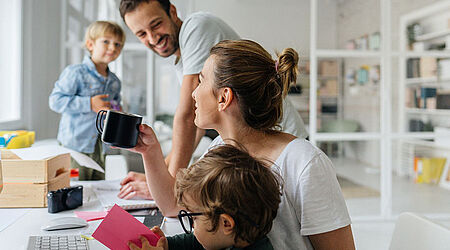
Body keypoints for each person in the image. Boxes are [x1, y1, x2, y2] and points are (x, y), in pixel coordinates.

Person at [125, 39, 355, 249]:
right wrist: (150, 151)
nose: (193, 93)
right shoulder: (218, 149)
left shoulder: (304, 163)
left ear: (223, 97)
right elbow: (175, 207)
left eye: (201, 81)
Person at [118, 0, 308, 199]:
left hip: (282, 144)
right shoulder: (181, 59)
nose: (152, 37)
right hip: (258, 152)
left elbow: (187, 115)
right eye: (141, 34)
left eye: (156, 24)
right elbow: (198, 123)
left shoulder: (196, 27)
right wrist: (159, 176)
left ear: (172, 12)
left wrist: (169, 186)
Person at [129, 144, 282, 250]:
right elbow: (193, 243)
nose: (193, 227)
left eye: (193, 218)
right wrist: (165, 244)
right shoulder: (227, 238)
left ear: (226, 224)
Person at [49, 21, 125, 180]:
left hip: (100, 146)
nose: (113, 48)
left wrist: (118, 113)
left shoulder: (115, 81)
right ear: (90, 44)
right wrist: (89, 104)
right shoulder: (75, 73)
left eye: (118, 44)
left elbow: (116, 107)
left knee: (98, 188)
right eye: (106, 41)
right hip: (75, 146)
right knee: (76, 188)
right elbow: (56, 101)